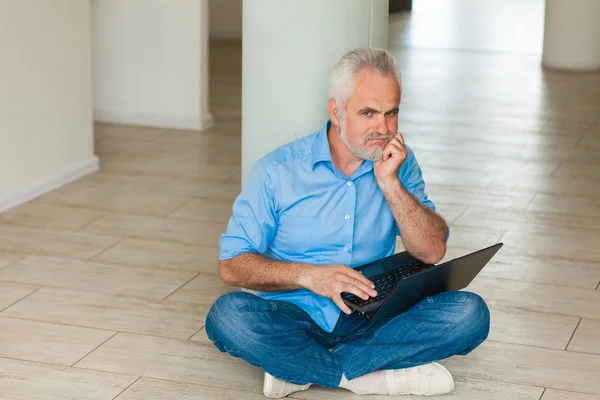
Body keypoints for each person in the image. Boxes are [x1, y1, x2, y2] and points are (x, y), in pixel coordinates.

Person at [205, 48, 490, 398]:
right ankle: (366, 374)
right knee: (228, 317)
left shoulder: (400, 163)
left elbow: (432, 250)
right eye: (368, 113)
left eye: (391, 113)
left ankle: (303, 369)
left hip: (375, 315)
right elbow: (231, 266)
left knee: (470, 314)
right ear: (336, 111)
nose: (382, 129)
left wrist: (390, 183)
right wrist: (310, 275)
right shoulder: (277, 171)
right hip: (295, 315)